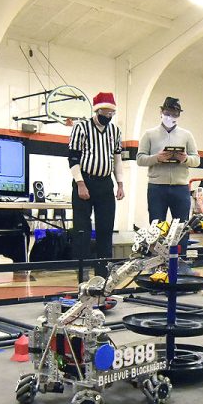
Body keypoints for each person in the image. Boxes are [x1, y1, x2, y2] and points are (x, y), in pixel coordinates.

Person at [68, 91, 124, 279]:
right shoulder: (81, 127)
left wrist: (120, 184)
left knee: (105, 230)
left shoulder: (115, 131)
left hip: (105, 183)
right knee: (82, 230)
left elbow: (117, 159)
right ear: (97, 110)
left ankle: (102, 275)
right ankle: (82, 274)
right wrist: (80, 184)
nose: (109, 117)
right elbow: (73, 158)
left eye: (111, 114)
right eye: (106, 113)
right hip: (85, 180)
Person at [137, 95, 200, 223]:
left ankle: (180, 244)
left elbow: (197, 160)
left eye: (174, 114)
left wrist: (186, 159)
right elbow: (140, 159)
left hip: (180, 187)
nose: (170, 117)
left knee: (181, 226)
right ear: (161, 112)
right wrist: (157, 158)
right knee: (156, 225)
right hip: (157, 187)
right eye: (167, 113)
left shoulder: (186, 135)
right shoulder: (149, 134)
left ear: (178, 115)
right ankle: (157, 244)